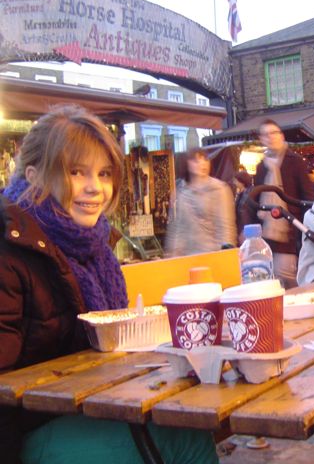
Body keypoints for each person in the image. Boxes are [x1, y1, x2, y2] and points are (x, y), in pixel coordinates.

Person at [0, 105, 218, 464]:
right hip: (31, 433)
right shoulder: (12, 252)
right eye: (75, 172)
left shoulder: (93, 249)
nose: (95, 188)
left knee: (190, 422)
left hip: (94, 407)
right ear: (35, 176)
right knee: (182, 437)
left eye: (103, 174)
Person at [253, 119, 314, 288]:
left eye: (274, 133)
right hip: (267, 235)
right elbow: (256, 199)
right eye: (265, 134)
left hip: (290, 232)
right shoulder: (261, 167)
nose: (270, 137)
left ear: (281, 135)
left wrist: (306, 231)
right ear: (261, 139)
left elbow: (307, 197)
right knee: (270, 281)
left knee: (289, 280)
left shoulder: (295, 161)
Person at [165, 147, 236, 256]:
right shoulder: (180, 192)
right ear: (187, 163)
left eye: (205, 159)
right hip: (186, 258)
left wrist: (226, 255)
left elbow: (225, 228)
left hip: (212, 256)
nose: (202, 164)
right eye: (196, 160)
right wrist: (172, 255)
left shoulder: (219, 189)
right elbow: (176, 230)